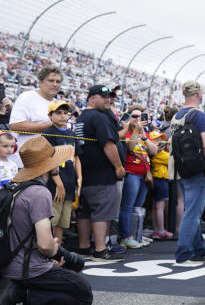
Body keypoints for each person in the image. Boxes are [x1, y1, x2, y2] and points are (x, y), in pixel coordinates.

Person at [0, 136, 93, 305]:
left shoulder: (16, 188)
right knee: (83, 294)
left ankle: (13, 284)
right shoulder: (40, 193)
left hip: (10, 262)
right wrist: (53, 251)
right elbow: (44, 245)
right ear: (48, 165)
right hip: (28, 267)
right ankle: (20, 293)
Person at [169, 80, 205, 267]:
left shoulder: (177, 115)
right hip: (196, 168)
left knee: (190, 209)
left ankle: (199, 249)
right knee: (193, 212)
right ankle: (184, 252)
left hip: (180, 168)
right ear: (198, 94)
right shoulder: (199, 116)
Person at [73, 84, 124, 261]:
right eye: (104, 97)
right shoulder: (98, 117)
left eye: (109, 97)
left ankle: (84, 247)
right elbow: (108, 145)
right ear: (92, 98)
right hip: (101, 174)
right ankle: (101, 250)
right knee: (102, 211)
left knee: (85, 212)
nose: (108, 100)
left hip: (84, 174)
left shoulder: (81, 118)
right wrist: (118, 167)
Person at [118, 106, 156, 249]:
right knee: (127, 206)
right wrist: (135, 131)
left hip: (144, 174)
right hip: (132, 173)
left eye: (140, 116)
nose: (137, 119)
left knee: (137, 207)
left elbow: (154, 151)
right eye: (134, 116)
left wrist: (144, 136)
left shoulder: (145, 132)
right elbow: (130, 147)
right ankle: (125, 236)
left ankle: (136, 236)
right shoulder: (126, 132)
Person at [44, 101, 81, 244]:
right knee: (51, 221)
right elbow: (48, 161)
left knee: (62, 222)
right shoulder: (48, 133)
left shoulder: (71, 134)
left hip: (69, 182)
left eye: (65, 113)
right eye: (58, 113)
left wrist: (79, 178)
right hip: (55, 185)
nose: (63, 116)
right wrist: (58, 183)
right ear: (50, 116)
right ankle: (49, 252)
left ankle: (57, 249)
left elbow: (76, 157)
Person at [8, 66, 63, 160]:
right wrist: (49, 126)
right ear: (40, 82)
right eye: (51, 80)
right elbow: (15, 126)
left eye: (58, 82)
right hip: (24, 161)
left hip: (48, 162)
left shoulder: (58, 104)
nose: (55, 84)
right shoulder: (27, 97)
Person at [148, 130, 173, 239]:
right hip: (160, 179)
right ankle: (161, 231)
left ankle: (156, 230)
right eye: (156, 139)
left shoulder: (157, 153)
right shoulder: (159, 154)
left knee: (155, 206)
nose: (160, 141)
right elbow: (171, 159)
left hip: (156, 179)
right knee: (160, 206)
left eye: (160, 139)